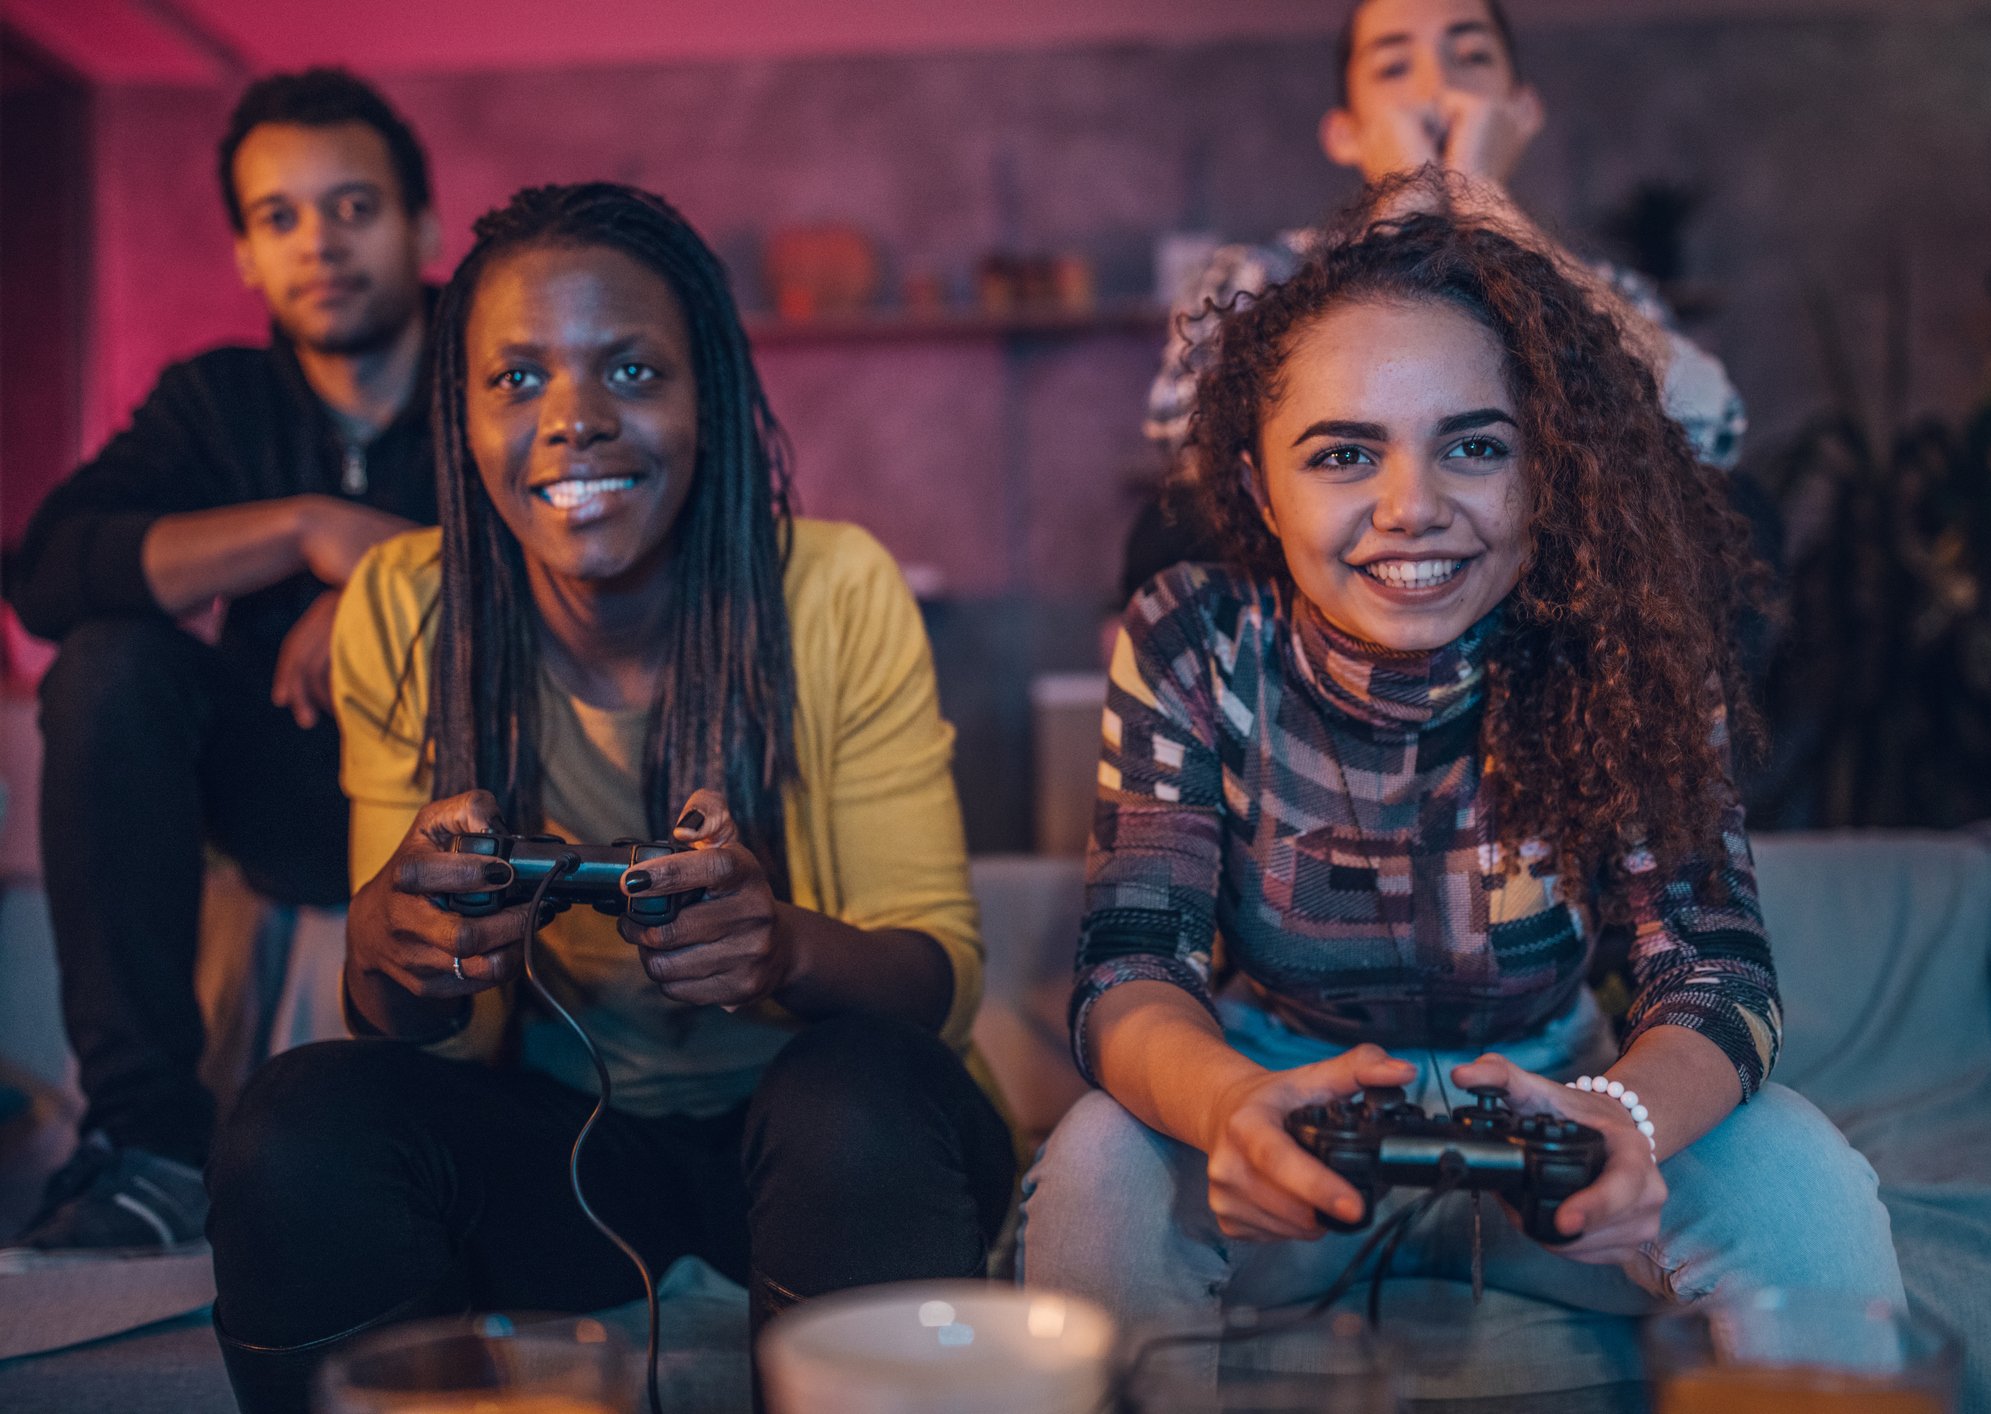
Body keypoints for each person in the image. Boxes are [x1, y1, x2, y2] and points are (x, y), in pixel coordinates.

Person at [1020, 180, 1901, 1384]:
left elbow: (1717, 969)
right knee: (1096, 1165)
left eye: (1474, 445)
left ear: (1544, 469)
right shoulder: (1194, 638)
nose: (1411, 508)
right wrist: (1230, 1108)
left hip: (1565, 1125)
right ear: (1259, 482)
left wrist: (1626, 1121)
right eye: (1342, 453)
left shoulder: (1626, 639)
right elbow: (1129, 965)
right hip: (1282, 1121)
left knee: (1800, 1171)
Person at [205, 183, 1015, 1412]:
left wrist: (781, 943)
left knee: (861, 1094)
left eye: (632, 372)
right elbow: (435, 1036)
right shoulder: (401, 608)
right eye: (517, 380)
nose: (574, 420)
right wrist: (394, 951)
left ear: (711, 401)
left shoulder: (838, 589)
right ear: (461, 416)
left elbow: (938, 983)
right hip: (563, 1151)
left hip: (825, 1150)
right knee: (294, 1124)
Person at [3, 68, 440, 1254]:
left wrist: (392, 585)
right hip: (287, 790)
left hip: (470, 786)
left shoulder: (492, 367)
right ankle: (149, 1146)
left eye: (354, 207)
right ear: (246, 255)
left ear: (422, 228)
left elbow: (595, 550)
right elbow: (45, 570)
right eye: (279, 218)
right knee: (107, 663)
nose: (320, 244)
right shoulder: (218, 403)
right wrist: (302, 529)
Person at [1125, 0, 1747, 599]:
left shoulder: (1604, 289)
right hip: (1317, 603)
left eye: (1470, 57)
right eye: (1394, 67)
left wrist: (1483, 203)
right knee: (1165, 532)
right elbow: (1190, 448)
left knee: (1746, 513)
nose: (1436, 86)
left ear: (1521, 111)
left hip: (1554, 606)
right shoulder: (1255, 274)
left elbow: (1710, 437)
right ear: (1346, 134)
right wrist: (1409, 204)